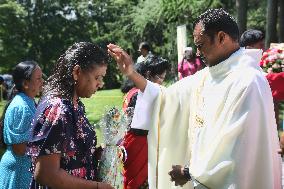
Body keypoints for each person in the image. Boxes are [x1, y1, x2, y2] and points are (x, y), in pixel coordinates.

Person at [108, 8, 281, 189]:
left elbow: (237, 151)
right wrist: (131, 72)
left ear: (222, 37)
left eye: (201, 45)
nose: (197, 53)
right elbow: (165, 98)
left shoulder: (247, 81)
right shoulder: (208, 75)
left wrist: (189, 172)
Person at [26, 42, 114, 189]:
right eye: (97, 77)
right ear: (77, 72)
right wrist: (97, 187)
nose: (101, 84)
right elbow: (45, 174)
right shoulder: (57, 109)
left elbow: (69, 153)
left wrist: (99, 152)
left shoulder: (75, 104)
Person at [120, 55, 171, 188]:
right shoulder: (140, 95)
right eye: (160, 78)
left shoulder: (132, 91)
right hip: (140, 147)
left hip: (131, 143)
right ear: (148, 74)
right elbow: (142, 126)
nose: (161, 83)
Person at [0, 61, 43, 189]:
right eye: (38, 78)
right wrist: (48, 150)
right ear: (25, 84)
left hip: (23, 169)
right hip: (19, 171)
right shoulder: (22, 107)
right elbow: (19, 148)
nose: (42, 81)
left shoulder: (27, 101)